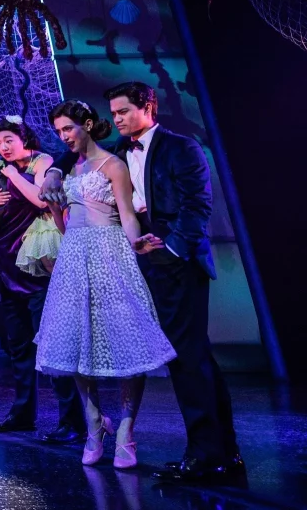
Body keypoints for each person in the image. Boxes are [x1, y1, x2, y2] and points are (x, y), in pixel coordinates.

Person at [104, 82, 241, 481]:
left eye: (124, 111)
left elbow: (197, 205)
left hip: (176, 260)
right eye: (113, 114)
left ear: (147, 106)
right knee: (193, 355)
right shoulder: (118, 151)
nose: (117, 119)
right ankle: (221, 451)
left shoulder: (181, 147)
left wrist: (171, 250)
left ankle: (206, 454)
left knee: (186, 356)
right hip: (146, 259)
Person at [35, 100, 176, 469]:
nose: (64, 137)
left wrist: (136, 242)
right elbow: (67, 227)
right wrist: (53, 208)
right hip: (75, 256)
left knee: (125, 341)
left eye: (68, 128)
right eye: (59, 131)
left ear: (87, 124)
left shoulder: (114, 164)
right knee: (78, 343)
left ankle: (126, 430)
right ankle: (95, 425)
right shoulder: (69, 169)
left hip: (110, 252)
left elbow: (127, 215)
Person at [0, 134, 85, 444]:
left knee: (51, 349)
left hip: (35, 274)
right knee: (19, 349)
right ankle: (23, 414)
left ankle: (73, 421)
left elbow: (42, 200)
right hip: (6, 279)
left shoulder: (18, 179)